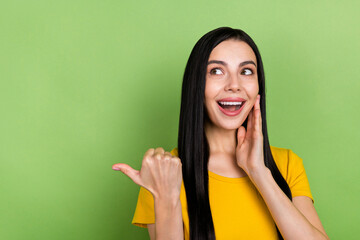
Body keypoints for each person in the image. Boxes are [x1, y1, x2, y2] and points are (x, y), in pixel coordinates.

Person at [112, 27, 329, 240]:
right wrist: (166, 197)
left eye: (246, 71)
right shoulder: (165, 173)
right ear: (196, 84)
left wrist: (259, 172)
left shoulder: (288, 164)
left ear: (258, 88)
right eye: (216, 71)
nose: (234, 85)